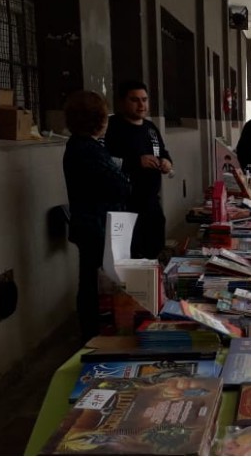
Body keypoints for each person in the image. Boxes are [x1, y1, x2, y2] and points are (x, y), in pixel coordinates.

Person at [62, 90, 131, 341]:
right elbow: (120, 185)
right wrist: (124, 176)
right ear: (98, 120)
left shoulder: (81, 146)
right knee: (95, 283)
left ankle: (94, 330)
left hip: (92, 222)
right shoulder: (88, 149)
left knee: (91, 280)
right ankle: (94, 333)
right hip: (96, 224)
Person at [104, 81, 173, 260]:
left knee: (154, 253)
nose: (141, 105)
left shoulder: (150, 128)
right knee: (130, 259)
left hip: (151, 203)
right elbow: (104, 162)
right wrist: (135, 162)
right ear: (121, 102)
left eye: (144, 100)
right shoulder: (111, 127)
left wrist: (167, 163)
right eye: (135, 100)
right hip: (124, 206)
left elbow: (163, 152)